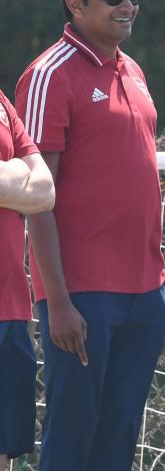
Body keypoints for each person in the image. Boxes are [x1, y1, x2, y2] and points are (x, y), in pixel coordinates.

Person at [15, 0, 165, 471]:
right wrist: (57, 300)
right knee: (71, 437)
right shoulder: (48, 74)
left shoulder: (135, 70)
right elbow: (37, 197)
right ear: (75, 4)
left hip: (146, 292)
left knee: (119, 436)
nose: (128, 5)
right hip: (82, 295)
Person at [0, 90, 55, 468]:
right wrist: (16, 170)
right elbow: (27, 178)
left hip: (10, 312)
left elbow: (45, 189)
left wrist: (22, 174)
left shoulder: (2, 102)